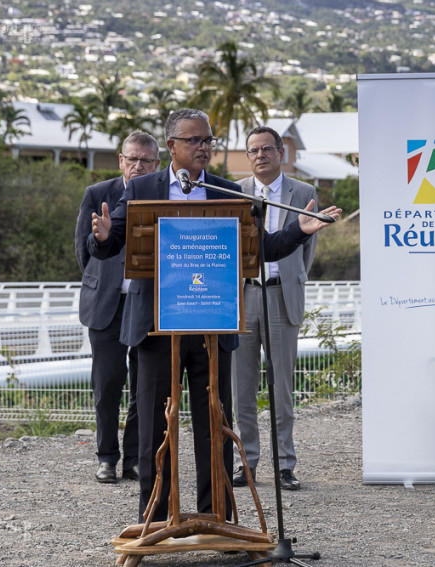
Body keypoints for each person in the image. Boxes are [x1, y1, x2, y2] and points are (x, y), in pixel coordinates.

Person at [88, 109, 340, 522]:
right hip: (156, 327)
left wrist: (300, 231)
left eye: (209, 140)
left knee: (215, 426)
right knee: (154, 428)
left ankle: (215, 517)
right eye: (195, 141)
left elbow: (261, 250)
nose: (205, 147)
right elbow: (113, 240)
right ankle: (154, 521)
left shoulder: (227, 191)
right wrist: (100, 237)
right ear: (171, 146)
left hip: (212, 322)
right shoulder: (143, 187)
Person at [231, 126, 318, 490]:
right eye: (254, 150)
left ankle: (284, 465)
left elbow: (306, 251)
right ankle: (245, 463)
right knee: (242, 388)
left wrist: (288, 280)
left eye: (268, 148)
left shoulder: (304, 192)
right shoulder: (234, 193)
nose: (261, 155)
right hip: (244, 297)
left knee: (281, 388)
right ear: (247, 156)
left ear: (281, 153)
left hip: (281, 296)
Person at [74, 130, 160, 484]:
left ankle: (136, 460)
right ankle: (107, 457)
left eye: (146, 160)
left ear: (158, 164)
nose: (138, 165)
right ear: (121, 160)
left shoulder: (162, 196)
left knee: (145, 384)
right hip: (107, 303)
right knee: (107, 382)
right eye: (132, 159)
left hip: (147, 303)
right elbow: (84, 249)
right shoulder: (98, 194)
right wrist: (104, 280)